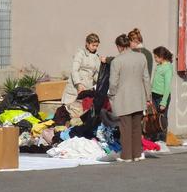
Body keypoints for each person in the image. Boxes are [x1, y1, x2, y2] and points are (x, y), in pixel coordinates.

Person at [109, 34, 151, 162]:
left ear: (119, 46)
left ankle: (126, 155)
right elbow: (146, 78)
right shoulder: (141, 57)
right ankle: (137, 154)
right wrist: (148, 96)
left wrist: (112, 94)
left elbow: (113, 82)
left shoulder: (117, 61)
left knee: (125, 127)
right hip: (139, 97)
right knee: (137, 127)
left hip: (123, 98)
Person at [62, 33, 103, 105]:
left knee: (83, 110)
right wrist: (78, 84)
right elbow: (74, 70)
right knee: (69, 110)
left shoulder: (97, 57)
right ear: (87, 44)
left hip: (87, 88)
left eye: (96, 46)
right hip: (75, 87)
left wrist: (101, 83)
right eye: (93, 45)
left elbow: (96, 73)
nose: (95, 48)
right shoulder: (80, 53)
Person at [150, 46, 174, 142]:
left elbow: (167, 86)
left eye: (156, 57)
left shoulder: (167, 68)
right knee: (154, 118)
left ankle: (162, 139)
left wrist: (164, 102)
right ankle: (155, 138)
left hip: (162, 96)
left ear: (161, 57)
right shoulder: (159, 66)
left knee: (162, 118)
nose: (155, 59)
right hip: (154, 95)